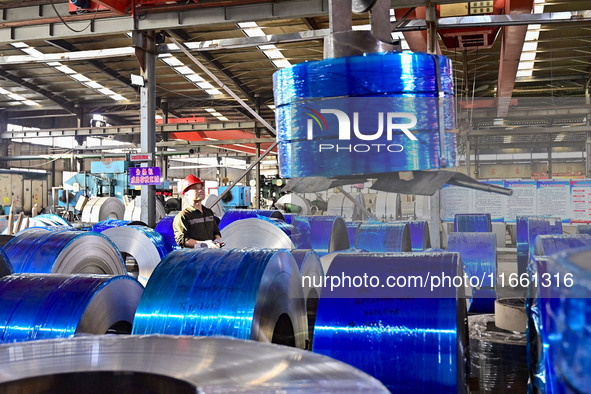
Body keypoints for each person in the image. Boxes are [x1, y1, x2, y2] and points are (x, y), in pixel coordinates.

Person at [173, 174, 224, 249]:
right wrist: (203, 244)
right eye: (195, 188)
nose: (200, 190)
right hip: (194, 257)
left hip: (210, 255)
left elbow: (216, 232)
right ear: (186, 194)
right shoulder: (183, 216)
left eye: (201, 187)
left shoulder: (208, 213)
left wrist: (216, 241)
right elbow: (182, 240)